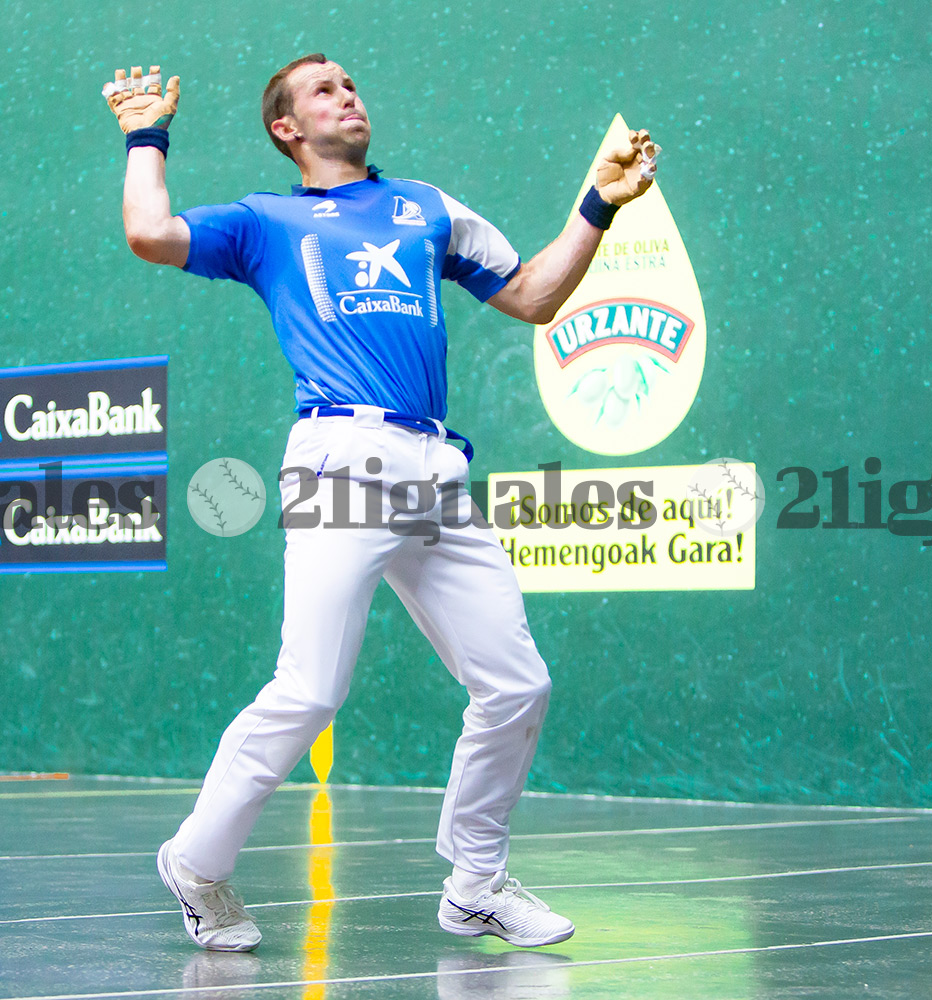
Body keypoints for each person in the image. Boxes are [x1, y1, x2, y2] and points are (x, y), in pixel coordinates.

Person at [104, 54, 659, 952]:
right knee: (312, 688)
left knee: (517, 683)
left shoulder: (428, 209)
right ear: (286, 128)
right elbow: (149, 231)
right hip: (339, 461)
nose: (348, 96)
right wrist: (144, 138)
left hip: (434, 466)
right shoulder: (264, 222)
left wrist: (597, 204)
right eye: (323, 90)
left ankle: (476, 882)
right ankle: (197, 863)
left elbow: (536, 296)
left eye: (352, 84)